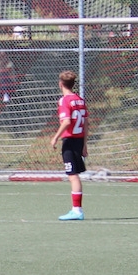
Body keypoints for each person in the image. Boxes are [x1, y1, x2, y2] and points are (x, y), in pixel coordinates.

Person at [50, 70, 88, 221]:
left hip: (70, 141)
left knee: (73, 176)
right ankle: (77, 209)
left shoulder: (64, 101)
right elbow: (86, 123)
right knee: (74, 175)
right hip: (79, 140)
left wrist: (55, 137)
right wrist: (84, 145)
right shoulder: (80, 100)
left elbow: (66, 121)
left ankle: (77, 210)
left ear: (60, 84)